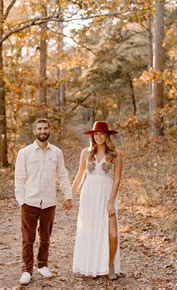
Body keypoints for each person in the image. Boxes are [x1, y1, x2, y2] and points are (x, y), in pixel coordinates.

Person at [14, 118, 73, 285]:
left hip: (49, 201)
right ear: (35, 131)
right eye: (39, 128)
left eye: (45, 128)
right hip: (29, 202)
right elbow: (19, 179)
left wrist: (67, 196)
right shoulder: (24, 153)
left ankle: (42, 265)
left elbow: (62, 175)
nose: (43, 131)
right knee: (28, 238)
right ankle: (27, 269)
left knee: (45, 236)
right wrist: (21, 201)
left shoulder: (57, 153)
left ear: (49, 130)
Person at [71, 121, 122, 280]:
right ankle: (93, 267)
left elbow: (117, 179)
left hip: (107, 195)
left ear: (107, 135)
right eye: (96, 134)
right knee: (91, 231)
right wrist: (69, 196)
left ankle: (110, 264)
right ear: (93, 136)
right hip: (89, 195)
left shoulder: (115, 153)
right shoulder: (86, 153)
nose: (99, 137)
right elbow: (80, 176)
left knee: (112, 234)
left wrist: (110, 201)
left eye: (102, 134)